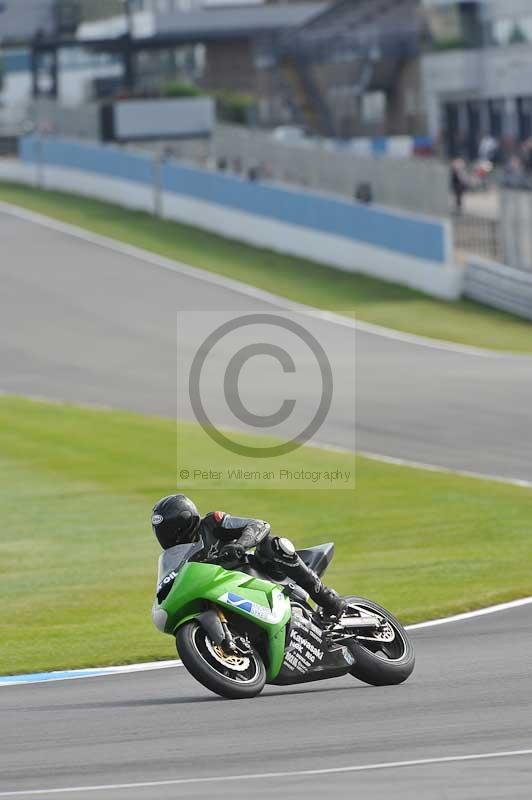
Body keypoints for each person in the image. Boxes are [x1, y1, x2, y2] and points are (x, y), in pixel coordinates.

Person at [151, 494, 346, 619]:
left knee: (274, 545)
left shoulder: (212, 523)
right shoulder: (175, 559)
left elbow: (258, 524)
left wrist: (240, 545)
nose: (168, 536)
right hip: (226, 592)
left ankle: (326, 597)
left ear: (187, 522)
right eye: (162, 532)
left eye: (171, 530)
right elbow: (170, 584)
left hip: (258, 574)